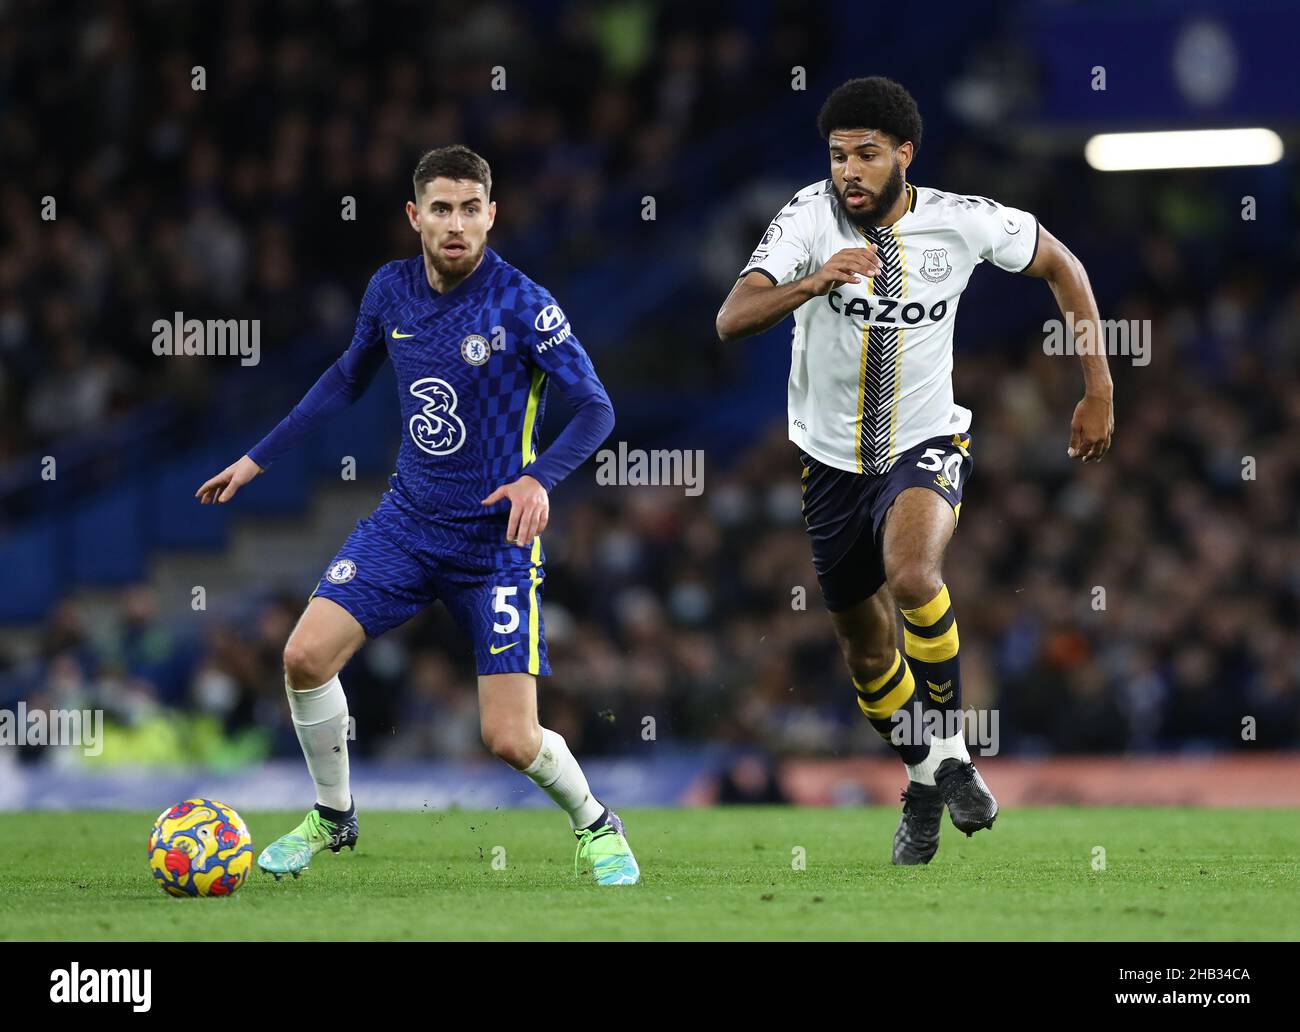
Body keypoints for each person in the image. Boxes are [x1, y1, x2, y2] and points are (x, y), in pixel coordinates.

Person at [197, 145, 640, 885]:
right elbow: (346, 378)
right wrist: (256, 459)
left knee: (509, 738)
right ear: (415, 216)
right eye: (441, 209)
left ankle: (596, 822)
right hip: (407, 523)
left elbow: (596, 408)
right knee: (304, 657)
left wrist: (538, 479)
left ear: (492, 215)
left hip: (495, 543)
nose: (456, 224)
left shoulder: (523, 303)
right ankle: (333, 815)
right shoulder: (390, 290)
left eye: (470, 209)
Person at [715, 77, 1113, 864]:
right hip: (830, 464)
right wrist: (813, 280)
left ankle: (952, 756)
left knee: (914, 576)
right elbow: (732, 318)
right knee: (868, 656)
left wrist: (1097, 386)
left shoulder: (962, 221)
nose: (849, 171)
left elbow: (1063, 265)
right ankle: (929, 778)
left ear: (905, 154)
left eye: (866, 154)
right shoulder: (807, 218)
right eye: (838, 156)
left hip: (926, 442)